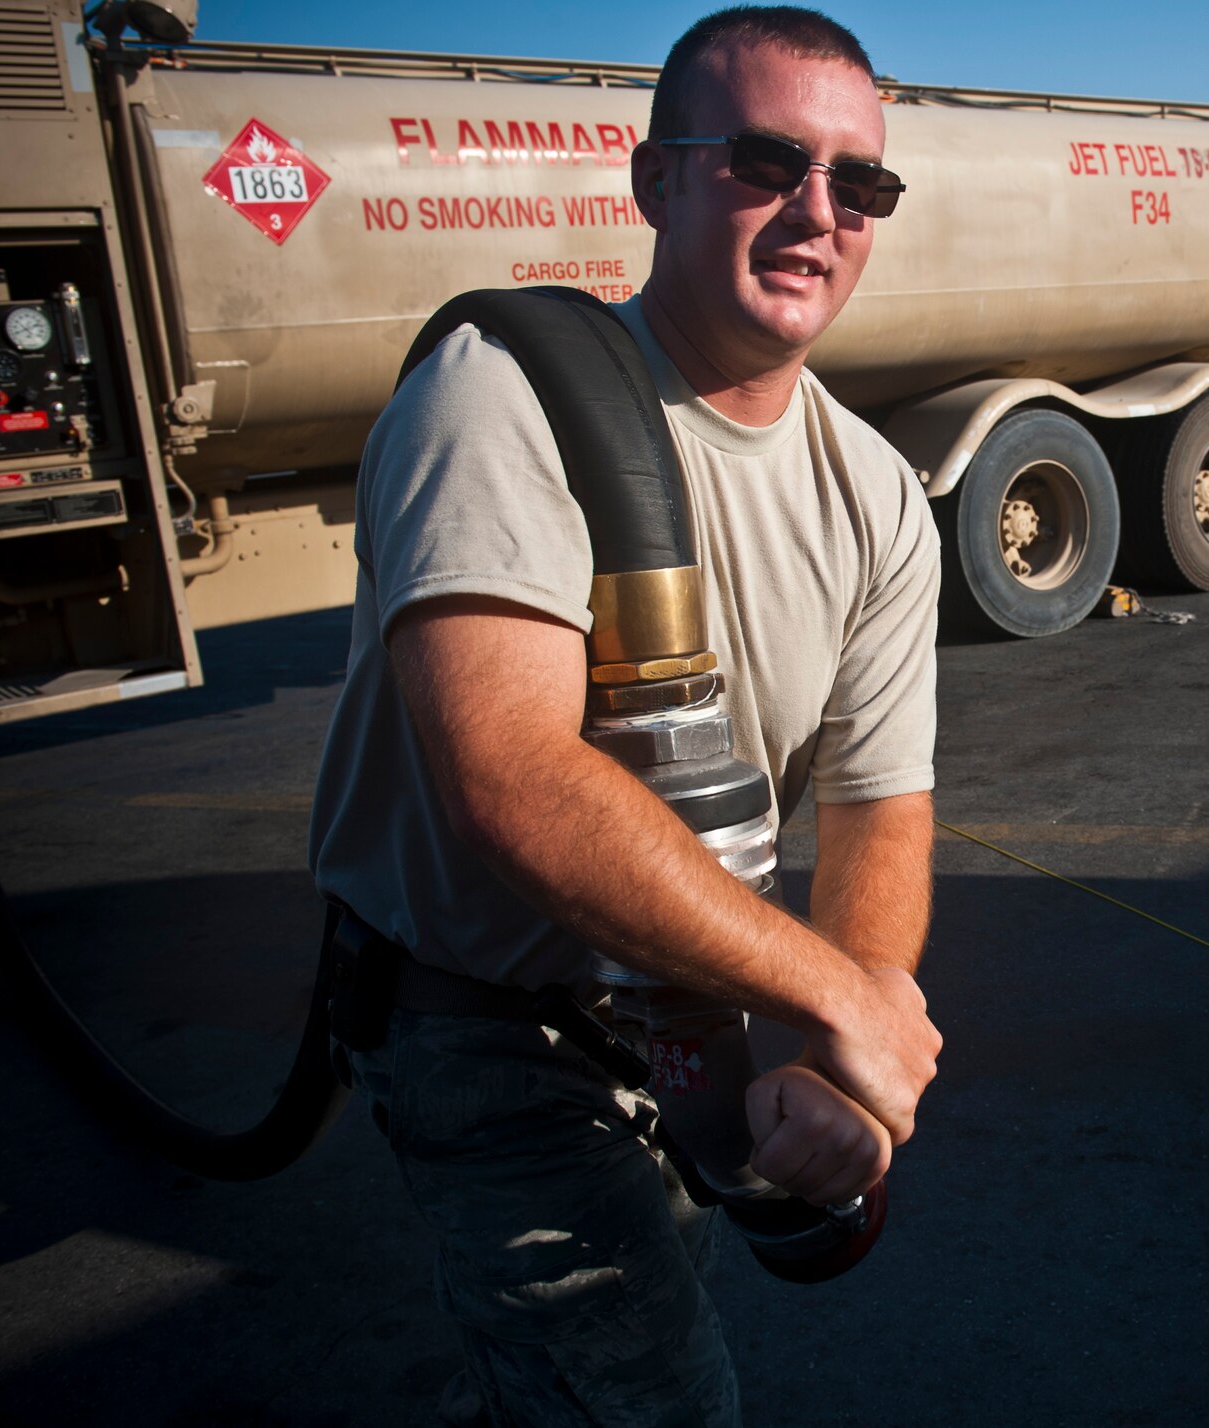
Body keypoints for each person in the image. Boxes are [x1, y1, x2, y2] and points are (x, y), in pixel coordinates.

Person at [307, 8, 942, 1424]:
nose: (819, 211)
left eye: (863, 183)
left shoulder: (880, 494)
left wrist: (826, 1061)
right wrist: (838, 997)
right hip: (493, 1032)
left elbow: (880, 804)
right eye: (768, 160)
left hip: (704, 1018)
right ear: (654, 180)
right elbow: (510, 777)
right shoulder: (501, 396)